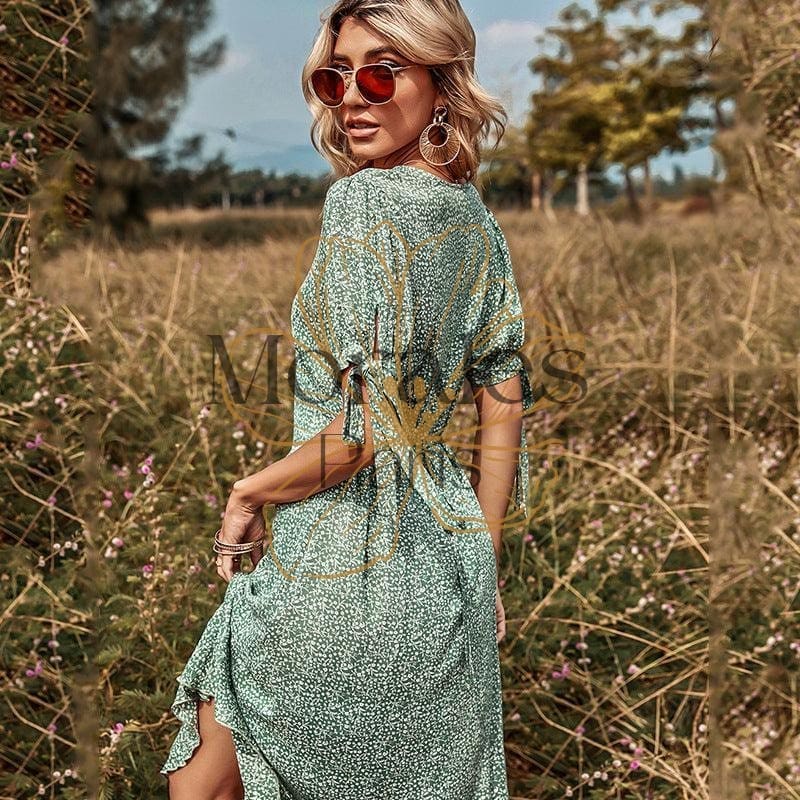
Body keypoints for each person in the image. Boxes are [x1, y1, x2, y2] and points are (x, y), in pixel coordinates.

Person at [161, 1, 534, 797]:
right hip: (444, 574)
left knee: (202, 787)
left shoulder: (363, 204)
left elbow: (360, 436)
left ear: (442, 84)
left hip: (339, 557)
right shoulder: (476, 222)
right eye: (336, 79)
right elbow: (503, 397)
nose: (353, 99)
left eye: (381, 74)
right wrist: (484, 556)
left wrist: (248, 495)